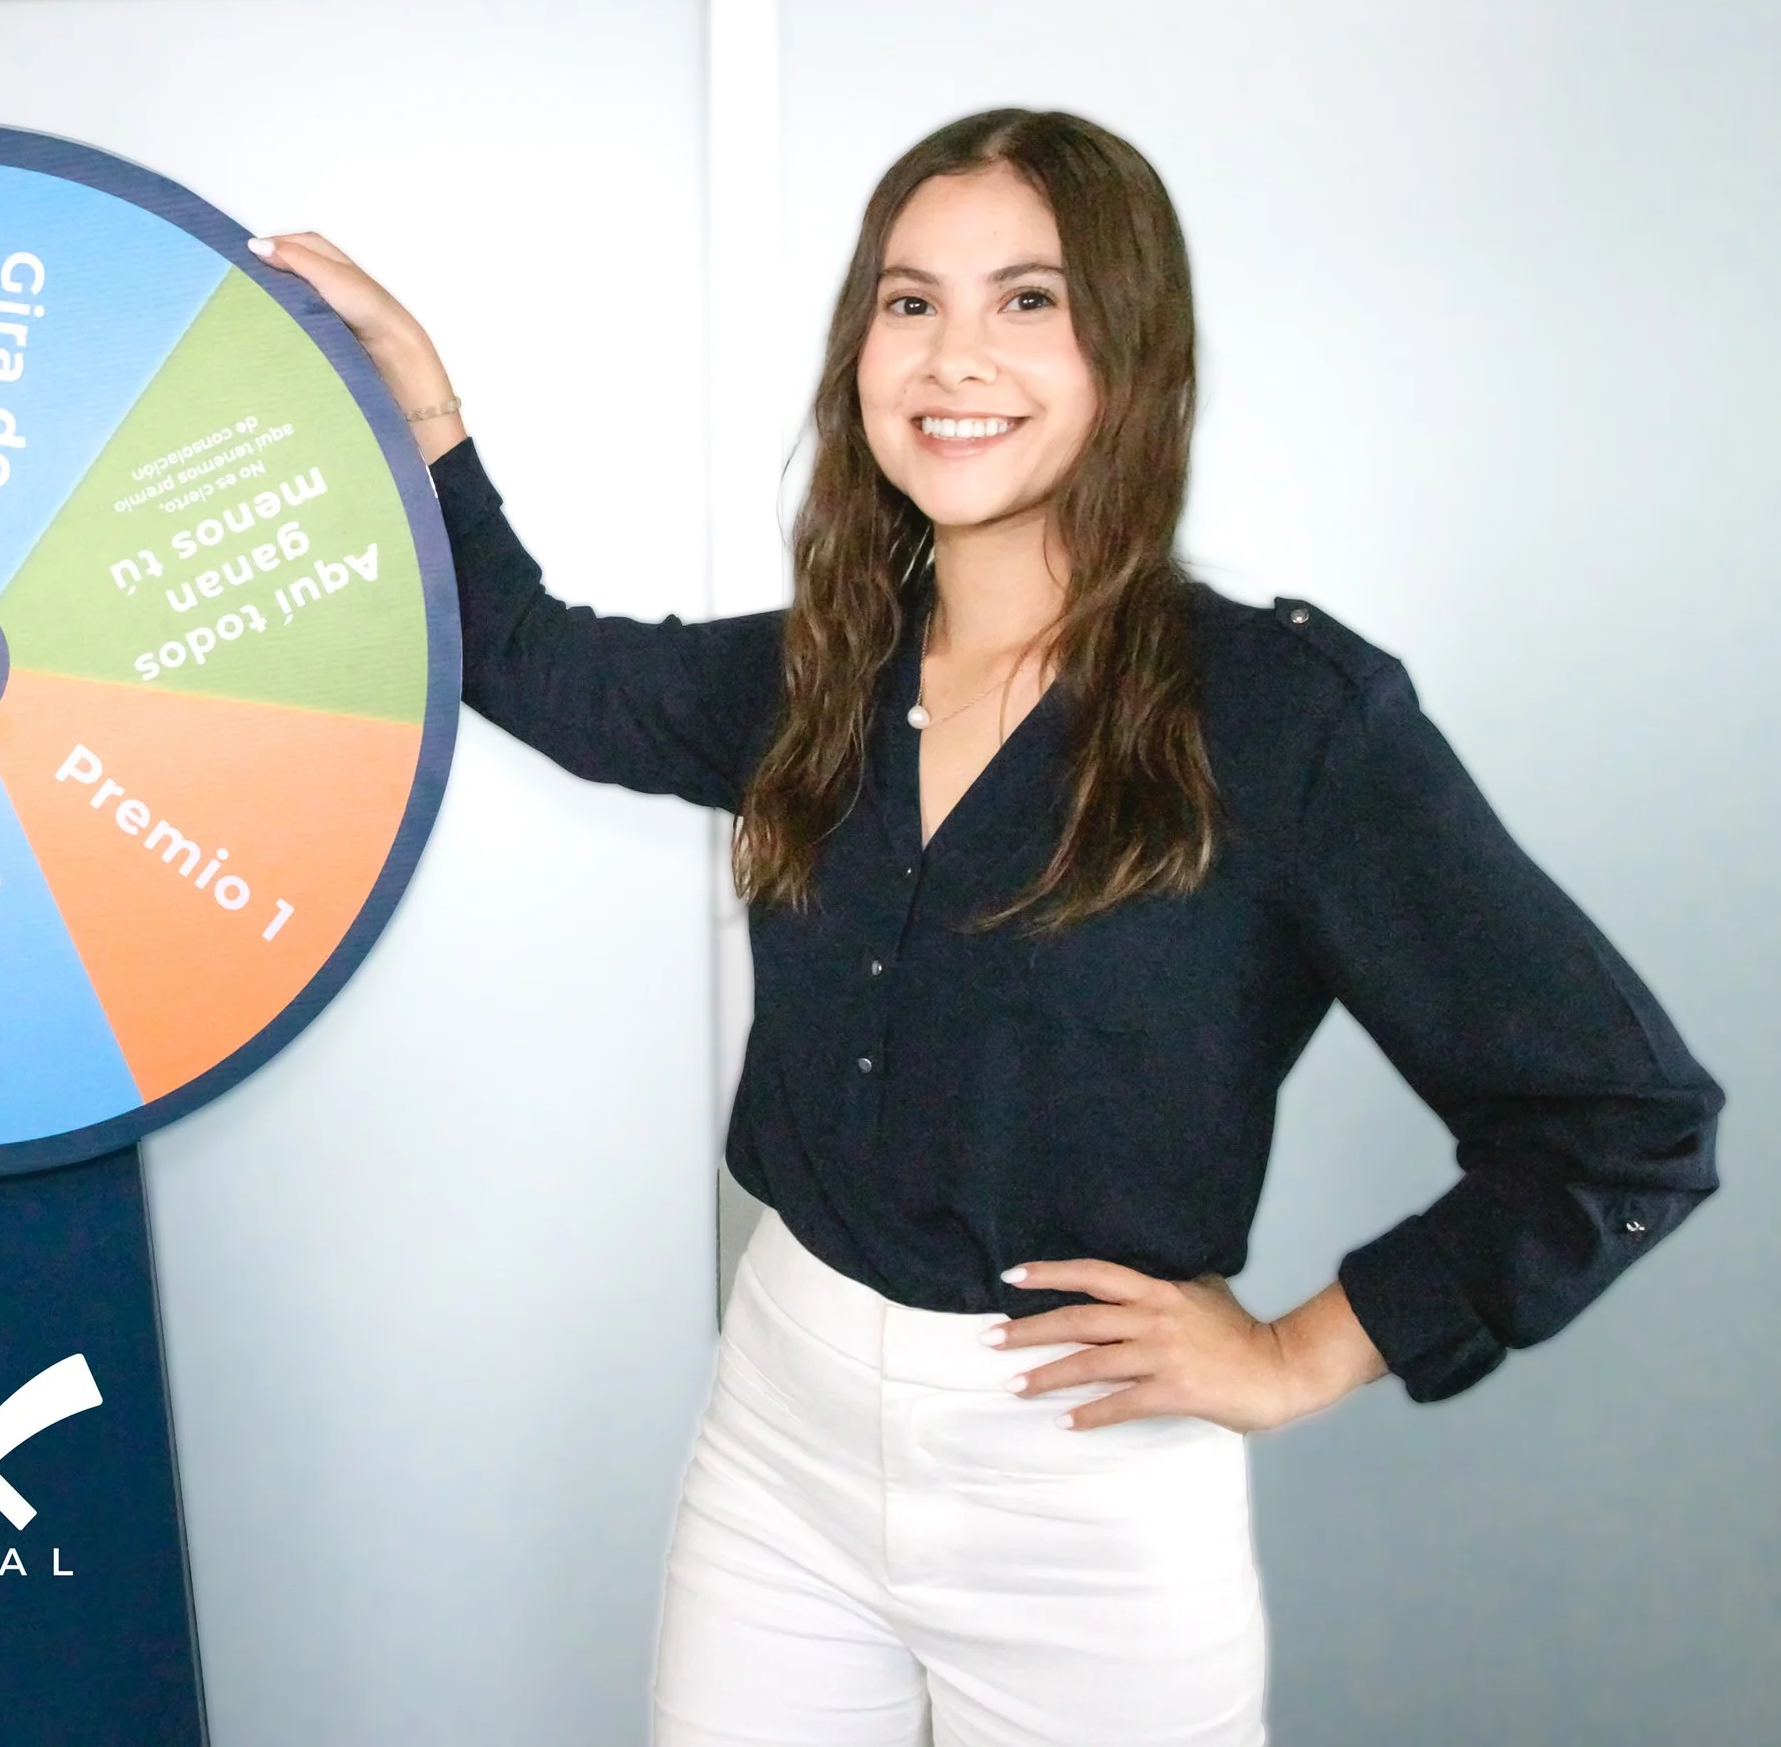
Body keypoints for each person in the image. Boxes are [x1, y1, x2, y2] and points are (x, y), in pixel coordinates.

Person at [249, 108, 1721, 1747]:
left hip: (1080, 1500)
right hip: (781, 1440)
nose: (957, 356)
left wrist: (1306, 1352)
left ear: (1133, 352)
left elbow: (1625, 1123)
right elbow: (525, 658)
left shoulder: (1291, 716)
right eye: (909, 301)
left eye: (1030, 300)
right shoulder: (825, 672)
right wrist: (426, 401)